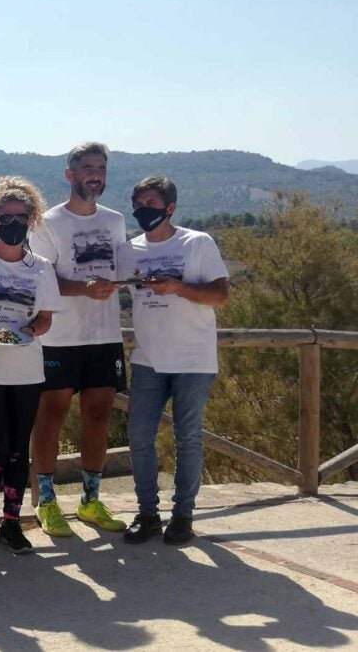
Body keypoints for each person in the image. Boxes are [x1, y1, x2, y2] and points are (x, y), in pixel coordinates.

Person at [120, 176, 229, 545]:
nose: (142, 210)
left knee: (188, 438)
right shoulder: (128, 250)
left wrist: (177, 286)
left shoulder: (197, 243)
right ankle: (147, 514)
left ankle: (182, 516)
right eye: (137, 203)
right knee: (138, 437)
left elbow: (219, 295)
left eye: (150, 202)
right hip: (148, 358)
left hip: (193, 360)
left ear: (170, 207)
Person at [28, 142, 129, 537]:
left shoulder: (116, 220)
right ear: (69, 175)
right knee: (50, 415)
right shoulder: (48, 223)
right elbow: (42, 279)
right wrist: (84, 288)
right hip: (59, 336)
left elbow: (122, 267)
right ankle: (47, 502)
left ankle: (90, 501)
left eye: (100, 168)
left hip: (104, 335)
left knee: (99, 416)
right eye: (87, 168)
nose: (95, 174)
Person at [0, 176, 61, 554]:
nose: (14, 223)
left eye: (22, 216)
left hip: (26, 370)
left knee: (20, 448)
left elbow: (46, 319)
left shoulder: (41, 269)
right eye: (6, 216)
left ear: (33, 219)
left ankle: (12, 520)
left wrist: (31, 330)